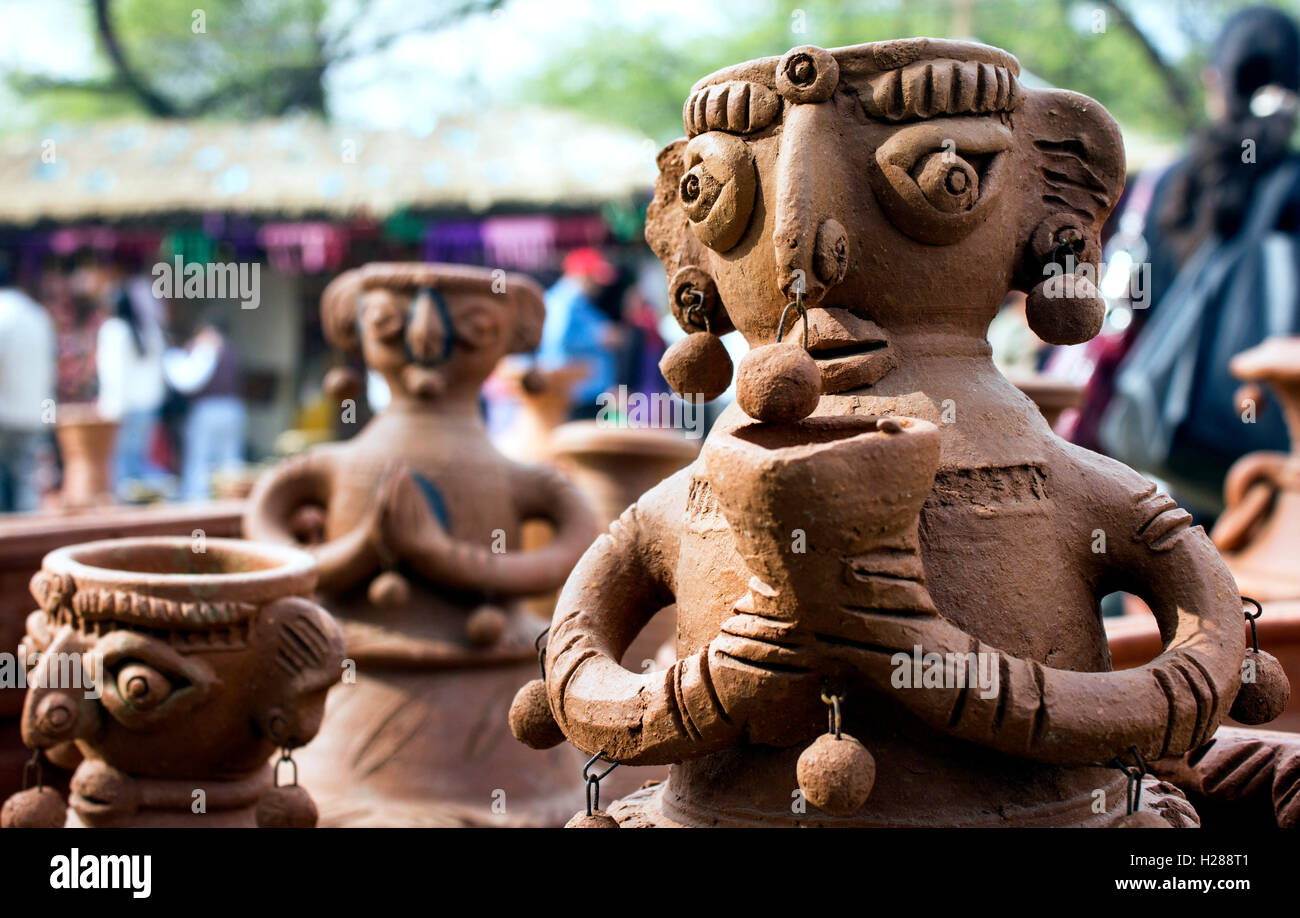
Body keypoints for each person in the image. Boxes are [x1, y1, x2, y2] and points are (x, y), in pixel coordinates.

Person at [1098, 6, 1300, 519]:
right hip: (1272, 467)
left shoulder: (1165, 185)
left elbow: (1131, 305)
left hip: (1165, 447)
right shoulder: (1291, 187)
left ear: (1216, 81)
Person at [96, 269, 168, 496]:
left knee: (121, 468)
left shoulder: (114, 330)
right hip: (148, 406)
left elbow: (112, 374)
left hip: (122, 408)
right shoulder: (149, 330)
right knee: (137, 461)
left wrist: (108, 408)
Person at [163, 317, 246, 501]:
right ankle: (230, 501)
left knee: (200, 460)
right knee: (230, 460)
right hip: (233, 409)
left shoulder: (204, 348)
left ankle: (198, 504)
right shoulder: (230, 349)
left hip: (208, 409)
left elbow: (187, 380)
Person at [537, 247, 621, 419]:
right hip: (576, 395)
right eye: (593, 278)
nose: (598, 285)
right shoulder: (565, 301)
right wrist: (599, 337)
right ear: (581, 275)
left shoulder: (578, 302)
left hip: (587, 393)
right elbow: (556, 340)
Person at [0, 257, 56, 512]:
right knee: (26, 489)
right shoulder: (38, 315)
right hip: (34, 414)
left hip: (5, 414)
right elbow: (50, 368)